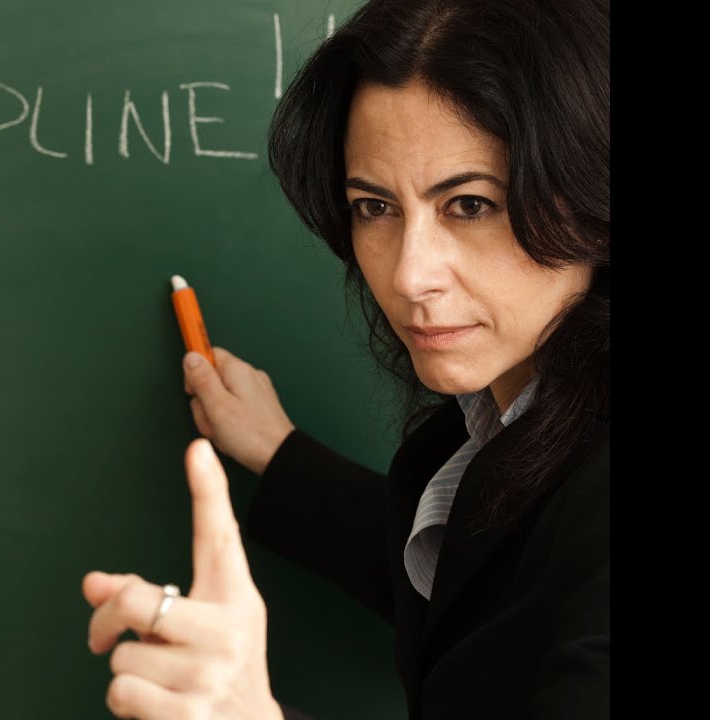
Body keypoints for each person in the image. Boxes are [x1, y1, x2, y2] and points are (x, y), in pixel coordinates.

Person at [80, 0, 609, 717]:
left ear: (591, 193)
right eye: (375, 207)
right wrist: (279, 453)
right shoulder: (497, 418)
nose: (408, 276)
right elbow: (469, 583)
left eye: (470, 205)